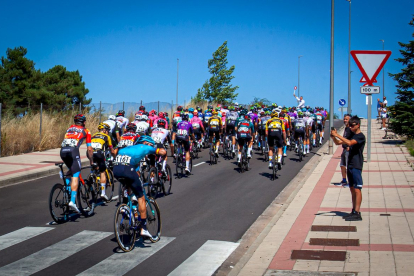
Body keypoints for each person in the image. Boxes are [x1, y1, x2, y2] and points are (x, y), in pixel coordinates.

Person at [113, 136, 167, 238]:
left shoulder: (130, 149)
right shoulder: (145, 147)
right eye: (151, 145)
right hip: (127, 169)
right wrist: (162, 156)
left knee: (129, 183)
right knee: (141, 196)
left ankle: (127, 206)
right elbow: (162, 152)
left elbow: (136, 171)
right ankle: (144, 228)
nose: (151, 147)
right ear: (146, 142)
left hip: (116, 170)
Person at [331, 116, 366, 221]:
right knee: (351, 188)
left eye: (352, 125)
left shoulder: (360, 136)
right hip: (350, 164)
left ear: (358, 125)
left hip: (356, 164)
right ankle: (353, 210)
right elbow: (338, 143)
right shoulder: (351, 136)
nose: (350, 127)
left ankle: (357, 212)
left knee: (357, 188)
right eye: (349, 125)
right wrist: (333, 136)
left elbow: (350, 143)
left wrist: (337, 135)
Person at [60, 114, 94, 213]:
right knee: (76, 173)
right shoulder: (86, 131)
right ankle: (72, 201)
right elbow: (89, 149)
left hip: (62, 151)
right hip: (73, 151)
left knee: (70, 171)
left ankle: (67, 191)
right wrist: (91, 160)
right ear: (84, 122)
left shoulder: (69, 128)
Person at [91, 123, 117, 201]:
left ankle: (92, 176)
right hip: (99, 153)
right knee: (102, 171)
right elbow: (111, 150)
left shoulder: (93, 135)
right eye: (108, 131)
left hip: (90, 153)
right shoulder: (107, 137)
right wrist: (115, 156)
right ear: (104, 130)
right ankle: (103, 193)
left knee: (94, 167)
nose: (108, 132)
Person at [332, 114, 352, 187]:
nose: (345, 120)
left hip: (348, 150)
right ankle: (344, 180)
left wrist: (350, 146)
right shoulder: (346, 128)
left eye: (346, 119)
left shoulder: (350, 129)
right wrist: (334, 137)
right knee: (342, 165)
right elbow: (342, 141)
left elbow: (351, 140)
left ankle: (350, 182)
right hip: (344, 149)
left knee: (348, 166)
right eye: (344, 119)